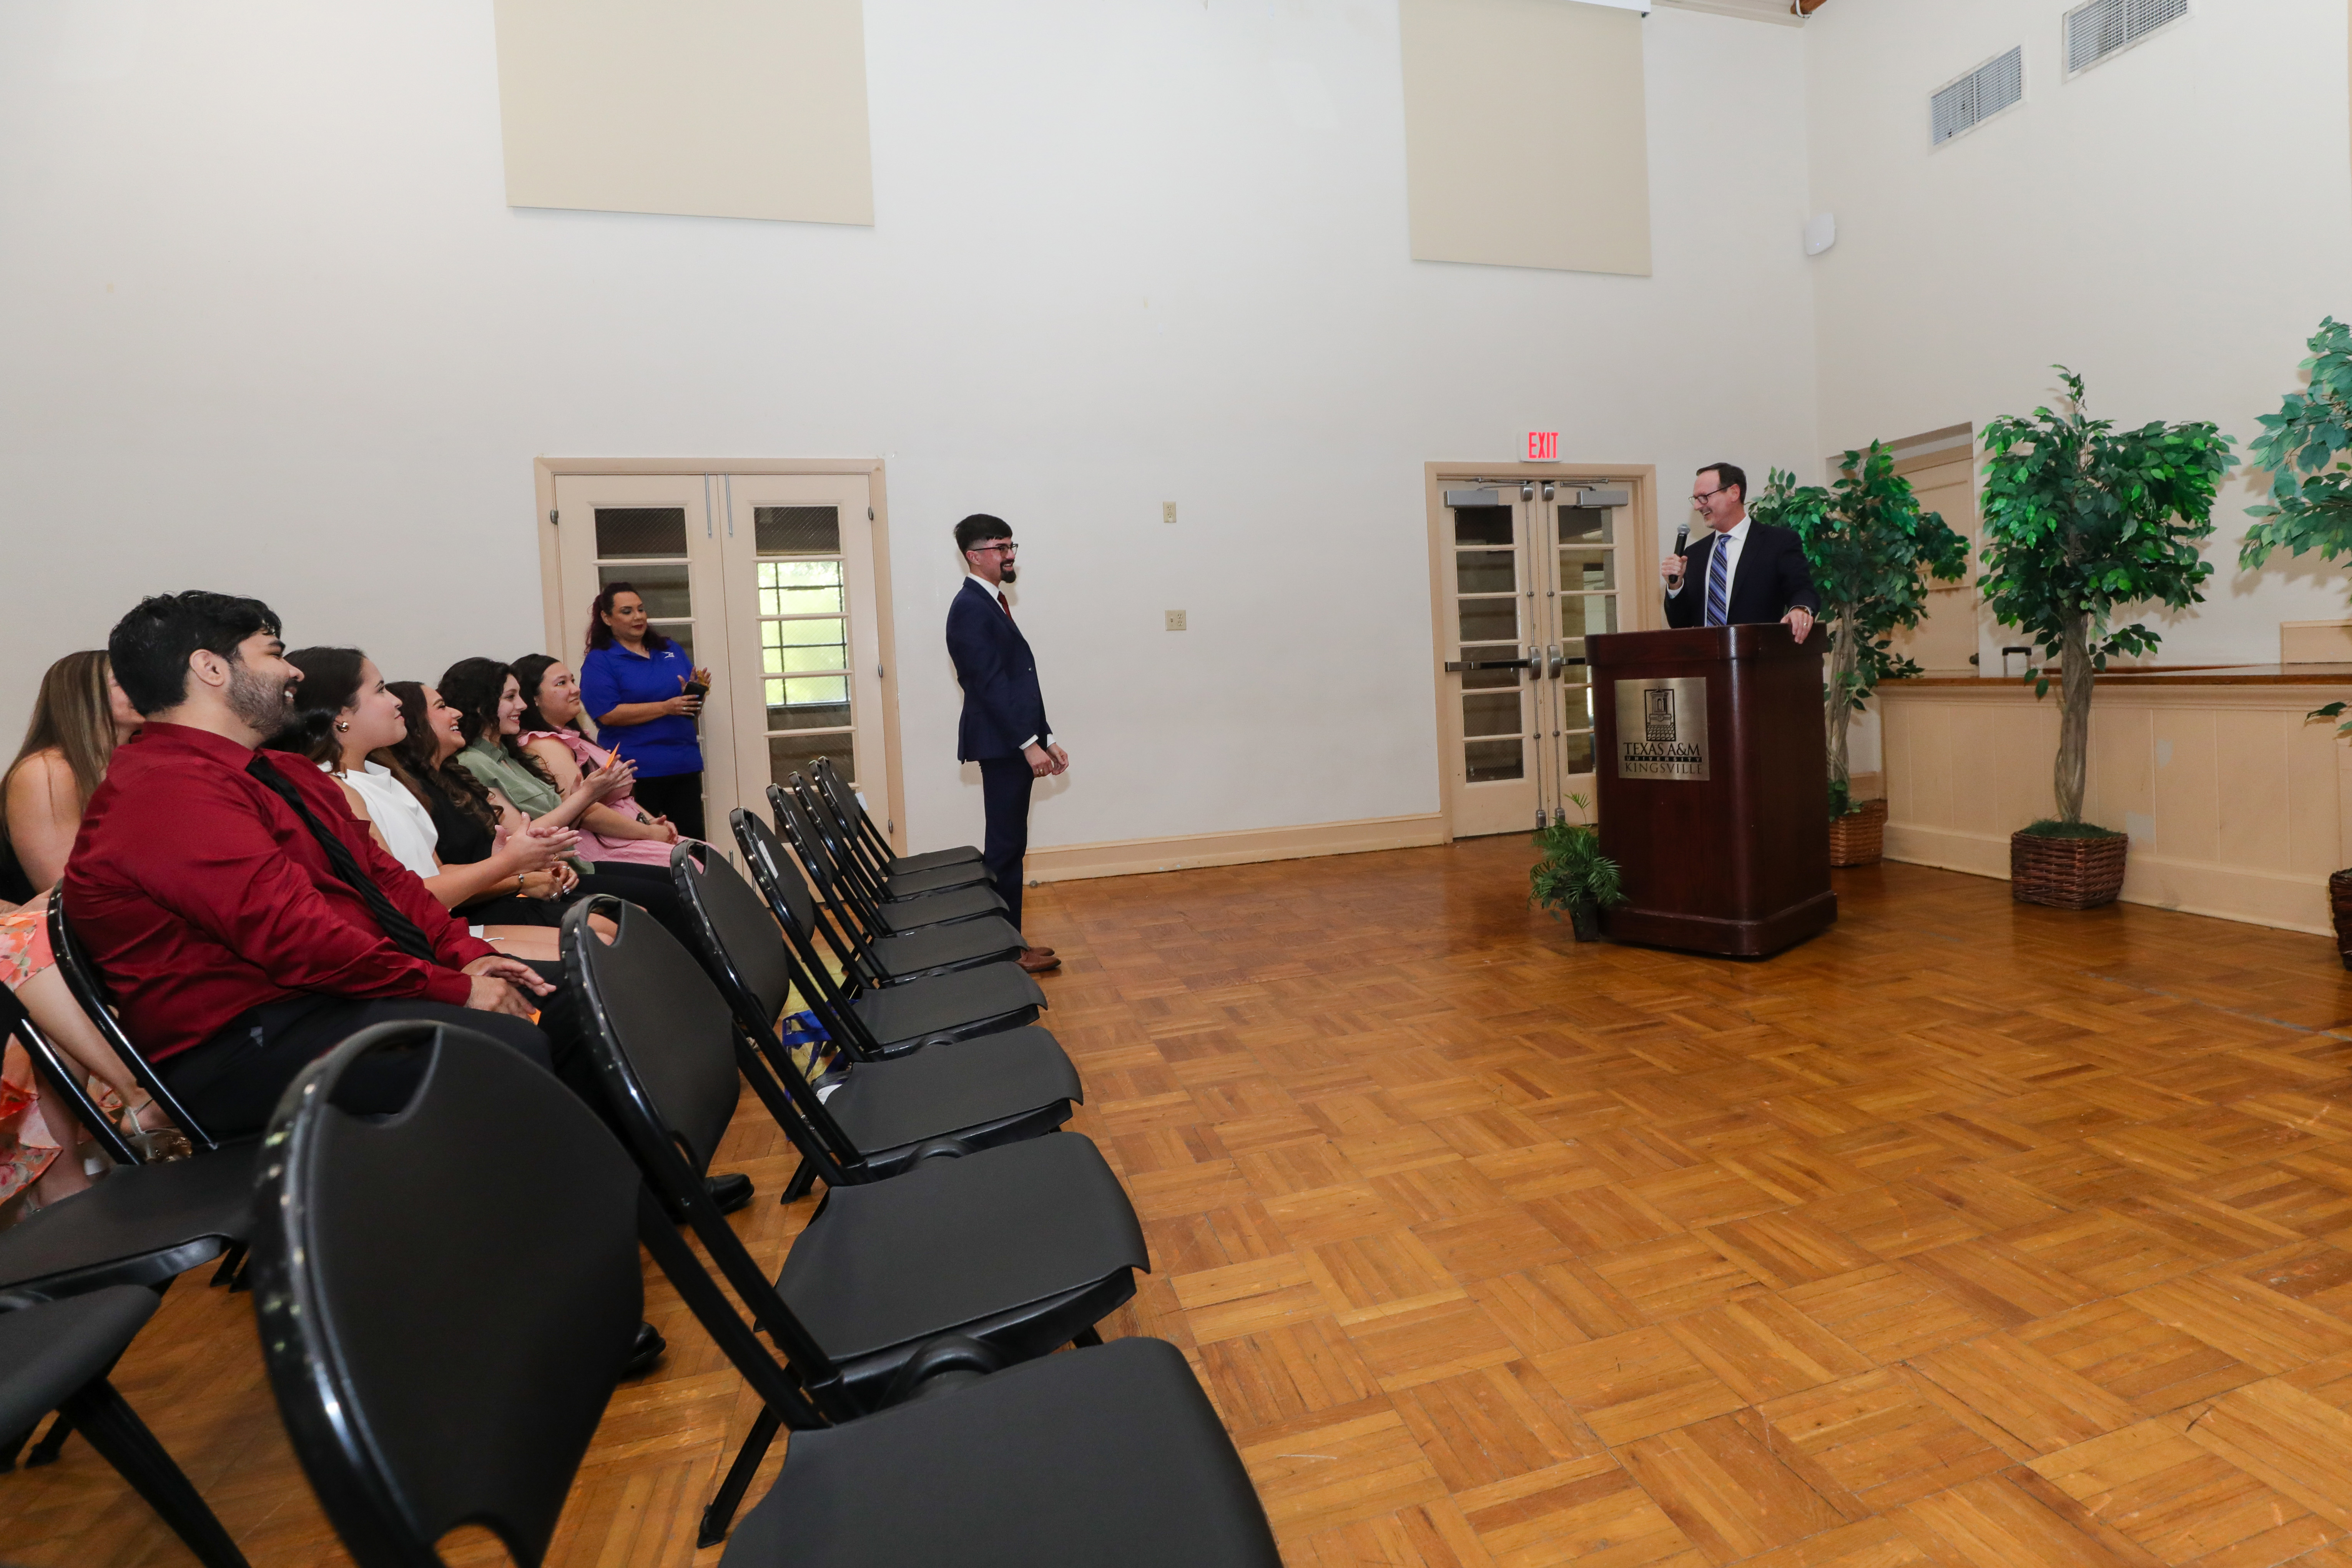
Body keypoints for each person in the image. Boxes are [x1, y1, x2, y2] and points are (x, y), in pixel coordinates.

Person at [60, 591, 569, 1140]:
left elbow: (388, 883)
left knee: (569, 999)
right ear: (209, 667)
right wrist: (454, 988)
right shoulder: (164, 791)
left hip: (325, 1001)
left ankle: (619, 1204)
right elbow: (296, 938)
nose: (293, 670)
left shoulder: (282, 771)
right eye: (272, 652)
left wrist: (470, 959)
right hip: (242, 1043)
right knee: (503, 1045)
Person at [0, 652, 183, 1209]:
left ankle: (127, 1119)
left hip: (51, 932)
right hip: (35, 927)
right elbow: (65, 892)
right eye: (117, 680)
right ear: (80, 695)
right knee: (32, 953)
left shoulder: (129, 765)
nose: (138, 685)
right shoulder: (49, 769)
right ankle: (137, 1095)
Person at [278, 647, 580, 964]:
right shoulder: (333, 788)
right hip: (413, 945)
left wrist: (506, 860)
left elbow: (435, 871)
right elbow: (400, 897)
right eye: (381, 690)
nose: (396, 701)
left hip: (440, 927)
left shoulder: (385, 776)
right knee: (585, 962)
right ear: (340, 714)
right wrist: (508, 865)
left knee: (596, 945)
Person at [438, 657, 698, 943]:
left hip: (572, 867)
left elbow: (563, 821)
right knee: (665, 897)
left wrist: (585, 796)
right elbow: (523, 839)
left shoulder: (508, 754)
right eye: (510, 698)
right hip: (547, 876)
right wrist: (587, 795)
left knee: (678, 882)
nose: (523, 706)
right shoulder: (473, 763)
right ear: (480, 705)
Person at [946, 514, 1063, 974]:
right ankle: (1003, 949)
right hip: (1002, 744)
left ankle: (1010, 942)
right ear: (975, 555)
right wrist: (1027, 744)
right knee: (1003, 849)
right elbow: (989, 685)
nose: (1010, 555)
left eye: (1012, 545)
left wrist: (1047, 738)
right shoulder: (970, 606)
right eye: (1000, 547)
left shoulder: (989, 602)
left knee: (1010, 846)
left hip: (1011, 740)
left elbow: (1019, 682)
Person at [511, 652, 685, 868]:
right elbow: (585, 811)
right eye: (562, 683)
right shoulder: (543, 744)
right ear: (534, 698)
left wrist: (652, 822)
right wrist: (649, 832)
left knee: (703, 858)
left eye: (573, 681)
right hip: (602, 845)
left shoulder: (573, 736)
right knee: (692, 867)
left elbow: (622, 801)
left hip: (626, 835)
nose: (575, 689)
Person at [577, 585, 710, 842]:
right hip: (635, 770)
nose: (638, 617)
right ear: (606, 618)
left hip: (682, 763)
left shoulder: (669, 649)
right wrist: (665, 707)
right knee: (647, 845)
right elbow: (607, 714)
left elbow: (687, 708)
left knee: (692, 843)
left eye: (641, 609)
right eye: (627, 611)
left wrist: (695, 692)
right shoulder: (600, 660)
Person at [1661, 461, 1820, 640]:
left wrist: (1800, 609)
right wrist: (1675, 586)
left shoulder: (1778, 543)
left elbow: (1802, 589)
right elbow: (1679, 623)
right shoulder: (1694, 554)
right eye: (1696, 499)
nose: (1698, 506)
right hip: (1705, 662)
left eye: (1704, 497)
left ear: (1734, 493)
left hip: (1758, 659)